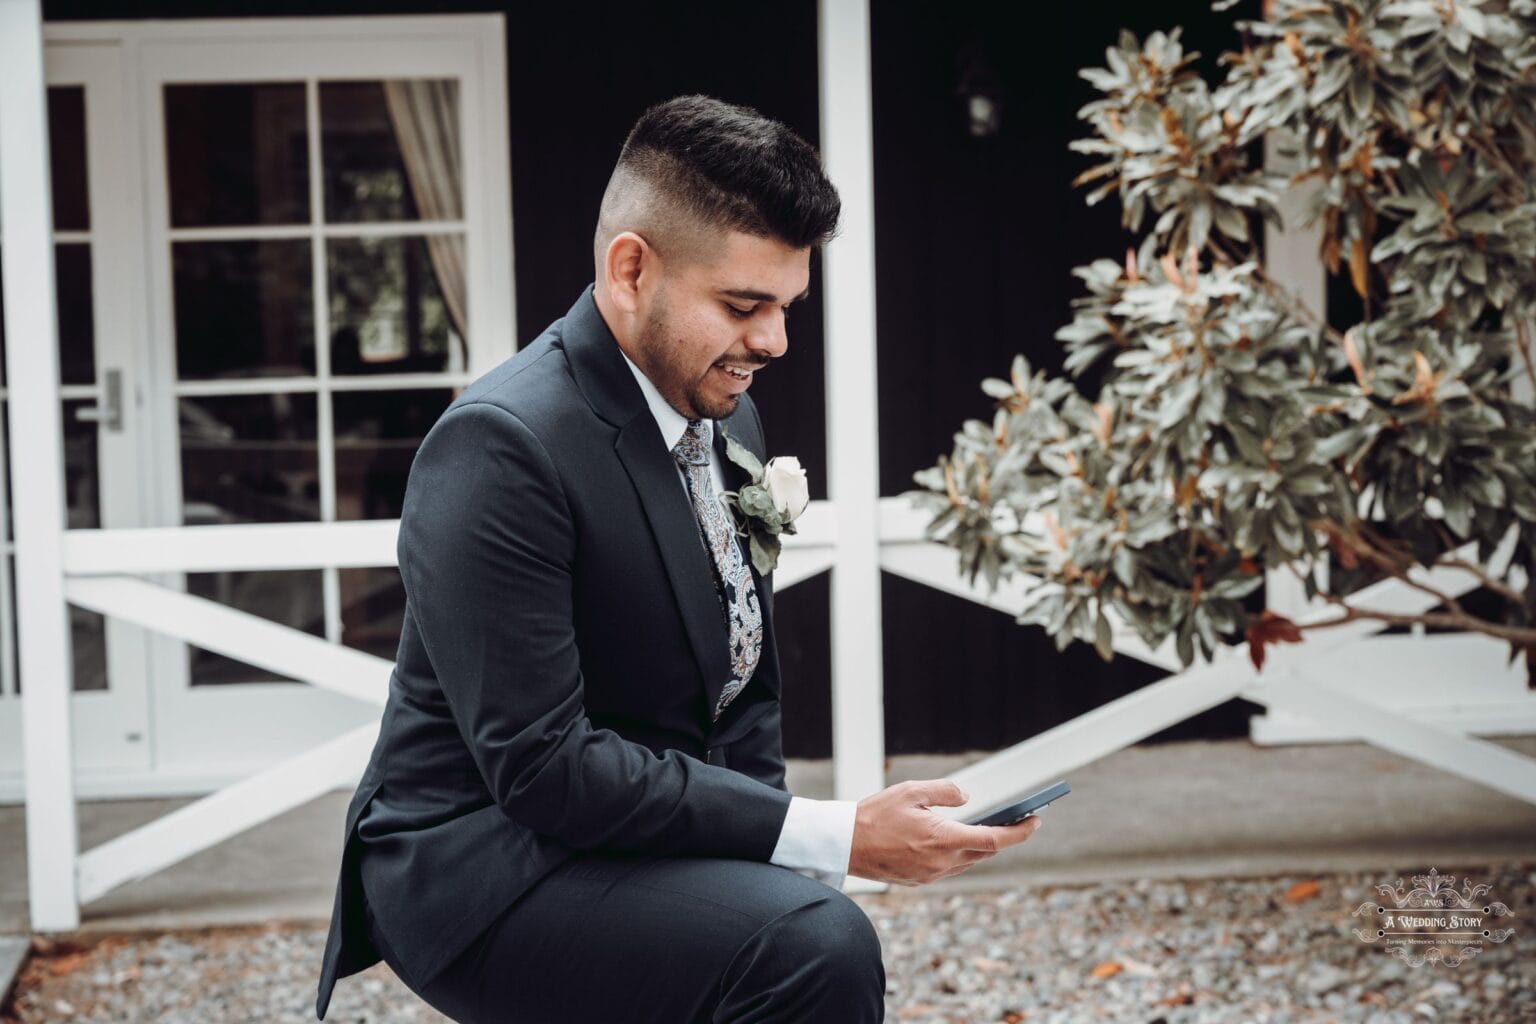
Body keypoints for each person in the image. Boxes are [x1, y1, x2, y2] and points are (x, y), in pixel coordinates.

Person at [315, 94, 1042, 1024]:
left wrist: (789, 859)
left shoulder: (723, 411)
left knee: (804, 920)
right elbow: (543, 769)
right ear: (630, 270)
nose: (774, 341)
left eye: (786, 306)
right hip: (485, 867)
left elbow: (742, 697)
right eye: (744, 305)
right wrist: (836, 836)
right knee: (816, 949)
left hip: (629, 844)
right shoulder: (500, 447)